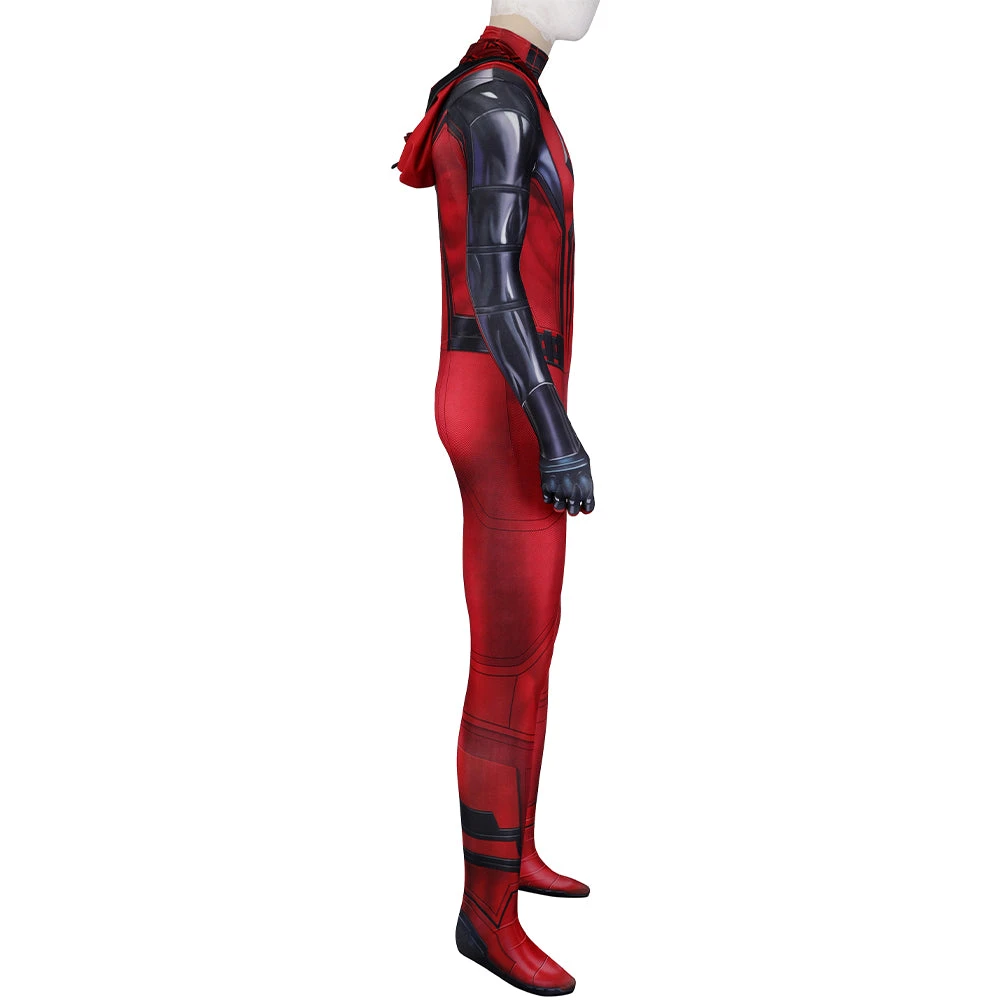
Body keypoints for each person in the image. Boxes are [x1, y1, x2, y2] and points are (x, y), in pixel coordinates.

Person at [393, 3, 601, 993]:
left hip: (500, 391)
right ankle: (485, 913)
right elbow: (494, 281)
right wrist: (552, 427)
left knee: (534, 641)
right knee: (508, 654)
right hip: (507, 402)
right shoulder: (497, 101)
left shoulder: (491, 90)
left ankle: (511, 848)